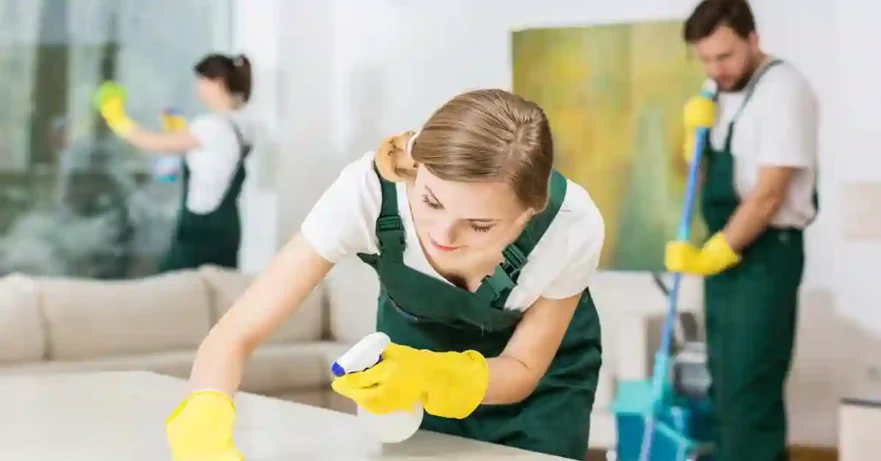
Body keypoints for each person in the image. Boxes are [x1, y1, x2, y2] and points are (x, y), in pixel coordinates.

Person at [163, 89, 605, 460]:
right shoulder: (366, 194)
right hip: (407, 382)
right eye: (430, 201)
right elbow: (236, 332)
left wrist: (432, 376)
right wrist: (203, 419)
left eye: (480, 225)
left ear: (530, 212)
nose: (443, 235)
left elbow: (524, 369)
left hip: (541, 394)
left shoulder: (571, 225)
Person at [665, 1, 819, 460]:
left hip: (767, 254)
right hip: (727, 252)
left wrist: (714, 254)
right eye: (706, 59)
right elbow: (698, 176)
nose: (716, 69)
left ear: (754, 39)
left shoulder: (784, 90)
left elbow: (770, 193)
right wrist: (689, 138)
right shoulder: (714, 91)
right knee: (725, 381)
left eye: (725, 56)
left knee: (751, 384)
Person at [93, 53, 256, 272]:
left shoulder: (211, 125)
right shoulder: (243, 123)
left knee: (172, 286)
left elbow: (151, 143)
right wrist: (180, 136)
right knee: (219, 290)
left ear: (217, 82)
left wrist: (117, 119)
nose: (197, 88)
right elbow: (212, 162)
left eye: (201, 81)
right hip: (228, 225)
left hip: (201, 226)